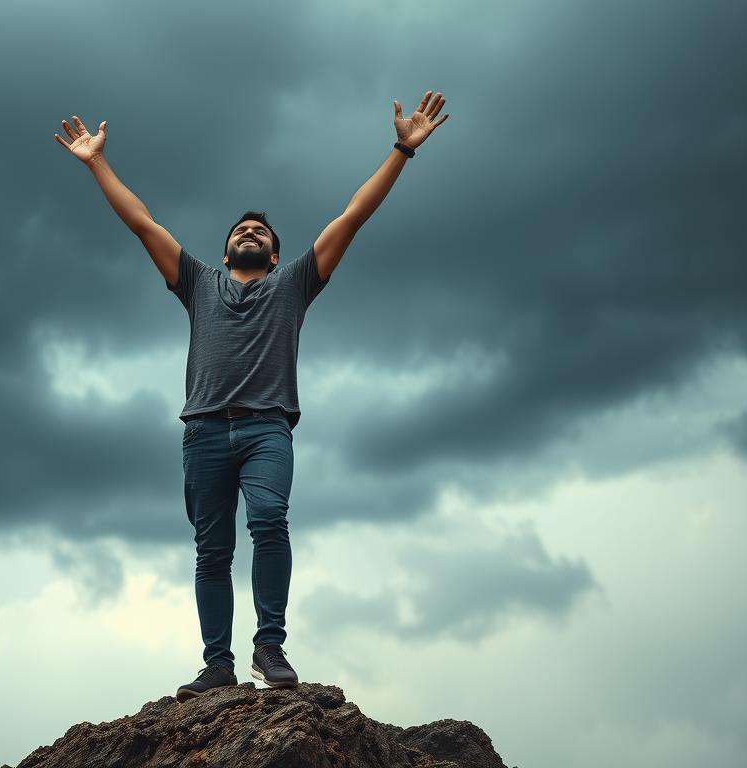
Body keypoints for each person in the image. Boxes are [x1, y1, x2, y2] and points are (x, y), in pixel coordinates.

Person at [53, 90, 450, 702]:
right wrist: (96, 163)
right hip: (205, 431)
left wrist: (401, 149)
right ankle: (218, 664)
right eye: (240, 230)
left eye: (260, 232)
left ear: (275, 252)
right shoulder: (197, 283)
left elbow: (352, 216)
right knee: (212, 550)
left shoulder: (295, 285)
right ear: (224, 251)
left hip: (268, 429)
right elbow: (141, 222)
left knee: (269, 520)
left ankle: (270, 644)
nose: (249, 233)